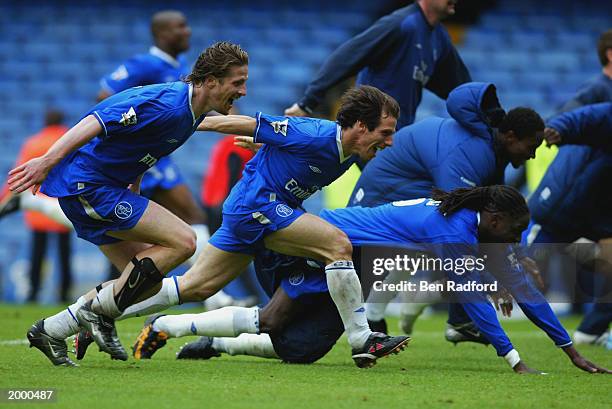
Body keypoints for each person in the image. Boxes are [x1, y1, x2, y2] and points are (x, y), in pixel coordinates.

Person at [88, 85, 408, 369]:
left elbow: (286, 154)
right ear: (362, 127)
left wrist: (268, 151)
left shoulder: (350, 152)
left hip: (251, 212)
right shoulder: (314, 133)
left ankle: (88, 314)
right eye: (385, 133)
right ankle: (362, 339)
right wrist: (187, 122)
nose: (390, 142)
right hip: (258, 207)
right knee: (337, 245)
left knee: (194, 287)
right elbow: (251, 123)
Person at [134, 185, 610, 374]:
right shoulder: (451, 230)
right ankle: (167, 326)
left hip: (352, 269)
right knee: (272, 319)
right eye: (512, 231)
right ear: (493, 216)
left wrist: (568, 348)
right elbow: (474, 296)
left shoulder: (471, 227)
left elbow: (522, 289)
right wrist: (514, 360)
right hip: (321, 246)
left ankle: (212, 345)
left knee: (301, 350)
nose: (514, 240)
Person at [9, 41, 249, 367]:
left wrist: (134, 185)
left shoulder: (192, 114)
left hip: (102, 189)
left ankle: (50, 330)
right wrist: (47, 160)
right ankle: (100, 316)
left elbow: (142, 149)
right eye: (237, 83)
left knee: (144, 284)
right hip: (90, 187)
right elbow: (97, 119)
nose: (244, 91)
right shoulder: (167, 104)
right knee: (184, 240)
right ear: (211, 81)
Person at [346, 82, 544, 339]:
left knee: (423, 250)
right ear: (510, 137)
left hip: (407, 188)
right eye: (530, 147)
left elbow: (494, 217)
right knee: (370, 265)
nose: (532, 156)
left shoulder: (490, 154)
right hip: (383, 192)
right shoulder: (472, 153)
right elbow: (455, 220)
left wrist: (516, 255)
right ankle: (405, 310)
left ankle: (418, 312)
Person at [284, 0, 471, 129]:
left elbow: (461, 87)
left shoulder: (439, 39)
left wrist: (488, 117)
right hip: (369, 129)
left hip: (396, 133)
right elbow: (348, 55)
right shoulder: (402, 24)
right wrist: (307, 103)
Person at [529, 101, 612, 346]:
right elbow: (579, 117)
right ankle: (459, 303)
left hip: (599, 216)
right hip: (563, 207)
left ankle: (590, 331)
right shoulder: (606, 108)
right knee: (521, 274)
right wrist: (558, 128)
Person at [0, 110, 73, 302]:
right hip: (62, 204)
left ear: (45, 121)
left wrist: (4, 199)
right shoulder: (69, 141)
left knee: (37, 253)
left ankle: (33, 292)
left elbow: (18, 175)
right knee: (64, 254)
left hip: (36, 206)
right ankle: (65, 292)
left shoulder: (33, 143)